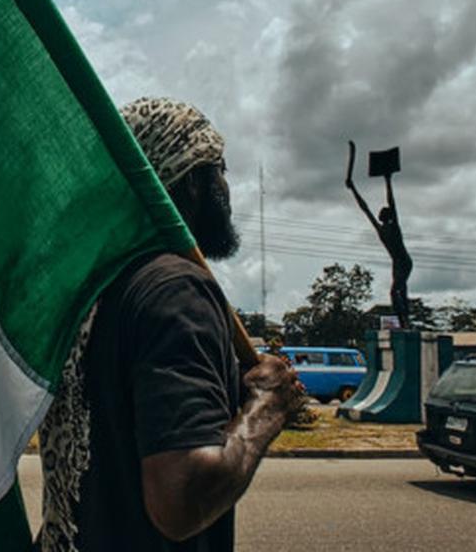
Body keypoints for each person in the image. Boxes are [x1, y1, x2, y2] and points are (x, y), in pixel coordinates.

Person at [36, 97, 301, 552]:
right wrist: (267, 406)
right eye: (219, 166)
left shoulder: (94, 288)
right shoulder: (175, 290)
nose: (226, 184)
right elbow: (180, 500)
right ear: (193, 179)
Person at [345, 142, 413, 328]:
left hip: (404, 261)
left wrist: (388, 181)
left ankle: (404, 321)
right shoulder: (381, 228)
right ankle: (404, 320)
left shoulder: (394, 226)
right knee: (401, 291)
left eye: (383, 212)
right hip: (396, 263)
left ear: (387, 216)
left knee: (395, 292)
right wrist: (354, 190)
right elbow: (364, 208)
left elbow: (391, 201)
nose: (379, 214)